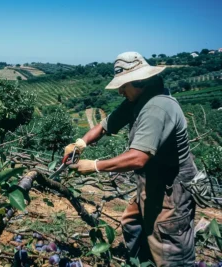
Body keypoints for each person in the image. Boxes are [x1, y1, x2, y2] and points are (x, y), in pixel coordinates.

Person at [65, 52, 197, 266]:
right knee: (133, 224)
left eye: (123, 85)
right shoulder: (138, 101)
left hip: (171, 192)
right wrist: (80, 143)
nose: (119, 91)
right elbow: (105, 126)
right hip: (152, 184)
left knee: (170, 248)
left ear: (139, 82)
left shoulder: (157, 108)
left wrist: (95, 166)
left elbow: (137, 158)